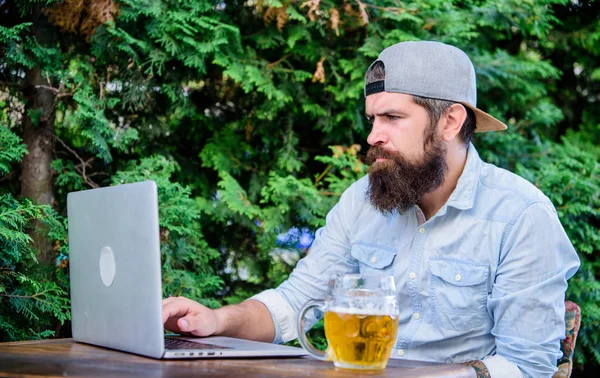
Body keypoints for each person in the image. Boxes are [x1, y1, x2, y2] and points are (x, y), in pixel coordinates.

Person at [162, 41, 580, 378]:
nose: (373, 136)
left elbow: (527, 366)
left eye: (392, 117)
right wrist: (217, 322)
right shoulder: (361, 201)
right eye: (372, 119)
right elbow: (294, 303)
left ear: (451, 121)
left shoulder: (521, 215)